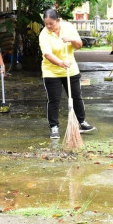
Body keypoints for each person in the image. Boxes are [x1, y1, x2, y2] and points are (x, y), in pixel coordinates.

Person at [39, 8, 95, 139]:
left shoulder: (68, 27)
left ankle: (82, 122)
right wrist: (60, 63)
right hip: (51, 72)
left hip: (71, 69)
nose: (48, 26)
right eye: (46, 24)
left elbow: (79, 45)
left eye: (51, 23)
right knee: (54, 100)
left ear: (58, 20)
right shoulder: (44, 34)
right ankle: (54, 127)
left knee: (76, 96)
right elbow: (47, 54)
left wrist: (71, 40)